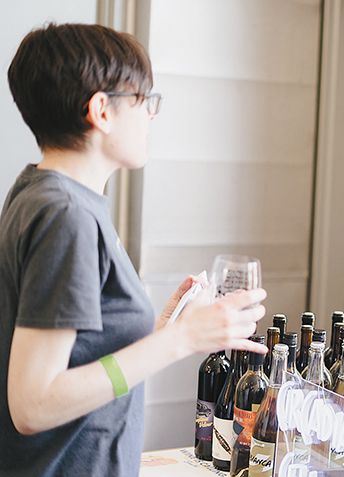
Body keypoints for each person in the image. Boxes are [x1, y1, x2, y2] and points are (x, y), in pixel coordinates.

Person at [0, 24, 267, 476]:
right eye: (143, 100)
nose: (151, 115)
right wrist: (181, 339)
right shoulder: (68, 216)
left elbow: (81, 355)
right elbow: (32, 405)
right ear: (101, 111)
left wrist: (158, 331)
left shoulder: (42, 194)